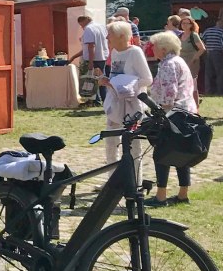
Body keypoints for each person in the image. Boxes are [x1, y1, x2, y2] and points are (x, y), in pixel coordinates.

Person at [145, 32, 196, 206]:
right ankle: (183, 194)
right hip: (185, 112)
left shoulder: (168, 64)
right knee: (182, 153)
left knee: (162, 154)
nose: (153, 49)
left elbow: (169, 94)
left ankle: (161, 196)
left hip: (172, 114)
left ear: (164, 48)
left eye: (155, 46)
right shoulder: (179, 61)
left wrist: (159, 114)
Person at [100, 20, 152, 174]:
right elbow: (115, 75)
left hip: (132, 105)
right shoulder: (114, 52)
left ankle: (136, 181)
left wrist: (128, 86)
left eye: (110, 36)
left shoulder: (135, 52)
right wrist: (107, 81)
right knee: (111, 142)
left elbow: (147, 79)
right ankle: (113, 180)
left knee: (133, 144)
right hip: (115, 103)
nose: (107, 39)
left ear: (121, 36)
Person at [78, 15, 109, 104]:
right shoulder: (101, 26)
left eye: (81, 25)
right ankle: (105, 99)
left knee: (92, 79)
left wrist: (91, 62)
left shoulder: (88, 29)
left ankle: (95, 100)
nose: (82, 27)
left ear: (85, 21)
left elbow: (91, 46)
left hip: (93, 58)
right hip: (102, 56)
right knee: (102, 79)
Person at [199, 19, 223, 95]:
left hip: (208, 53)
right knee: (219, 72)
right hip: (217, 53)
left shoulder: (207, 30)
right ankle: (220, 91)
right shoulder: (221, 31)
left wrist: (205, 49)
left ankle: (208, 91)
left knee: (208, 73)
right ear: (220, 24)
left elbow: (201, 40)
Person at [178, 15, 205, 93]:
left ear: (191, 25)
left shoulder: (194, 35)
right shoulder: (180, 36)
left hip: (192, 62)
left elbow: (202, 49)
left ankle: (195, 102)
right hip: (181, 63)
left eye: (187, 23)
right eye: (183, 23)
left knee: (192, 82)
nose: (185, 25)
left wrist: (193, 59)